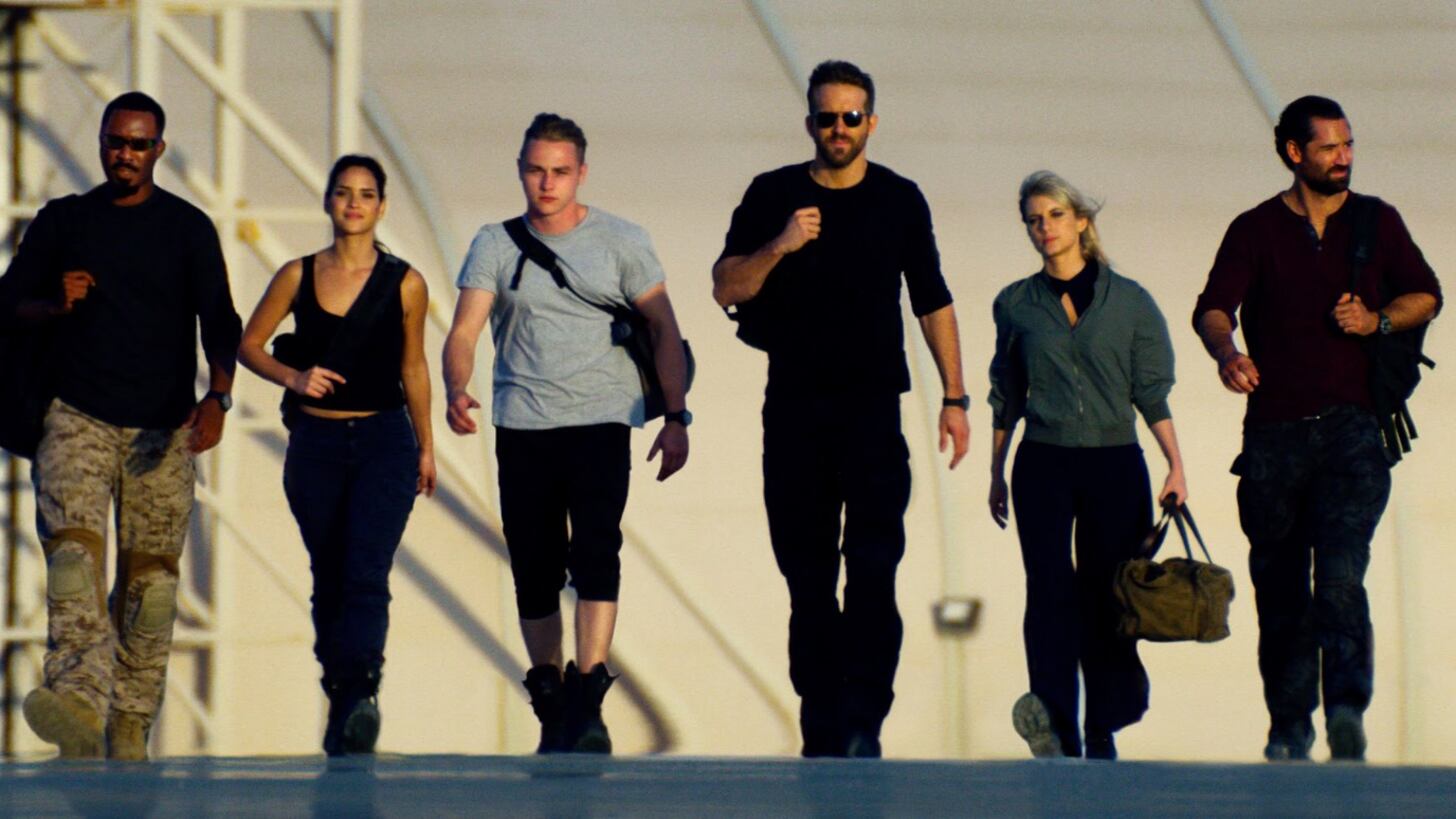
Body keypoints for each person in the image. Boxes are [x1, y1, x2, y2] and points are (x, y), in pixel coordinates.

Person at [712, 60, 970, 758]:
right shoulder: (773, 194)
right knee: (808, 578)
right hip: (795, 410)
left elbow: (932, 298)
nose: (839, 129)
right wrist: (781, 244)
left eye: (851, 117)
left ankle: (864, 717)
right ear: (810, 124)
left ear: (871, 123)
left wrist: (955, 396)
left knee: (875, 568)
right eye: (827, 117)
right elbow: (726, 286)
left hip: (871, 409)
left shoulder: (898, 199)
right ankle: (822, 716)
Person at [1193, 95, 1440, 762]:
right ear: (1294, 152)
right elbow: (1213, 307)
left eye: (1348, 143)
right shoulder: (1255, 229)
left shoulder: (1376, 221)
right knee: (1279, 588)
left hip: (1353, 433)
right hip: (1274, 438)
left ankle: (1347, 711)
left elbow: (1427, 294)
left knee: (1339, 576)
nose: (1344, 157)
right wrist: (1227, 353)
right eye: (1330, 147)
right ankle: (1289, 725)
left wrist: (1377, 320)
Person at [0, 92, 241, 760]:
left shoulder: (188, 229)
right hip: (76, 416)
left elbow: (221, 321)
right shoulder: (65, 222)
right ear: (102, 142)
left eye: (138, 144)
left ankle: (130, 721)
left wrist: (219, 398)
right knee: (73, 562)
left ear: (158, 149)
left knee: (151, 588)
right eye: (115, 141)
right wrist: (53, 303)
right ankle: (77, 703)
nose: (124, 155)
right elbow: (6, 304)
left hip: (162, 429)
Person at [442, 113, 690, 755]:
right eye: (535, 170)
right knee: (534, 563)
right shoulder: (495, 243)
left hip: (602, 418)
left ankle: (588, 692)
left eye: (559, 171)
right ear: (520, 171)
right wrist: (456, 387)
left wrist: (676, 417)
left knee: (597, 550)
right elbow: (465, 329)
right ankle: (549, 693)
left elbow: (663, 327)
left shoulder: (622, 241)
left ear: (581, 173)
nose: (547, 183)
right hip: (523, 421)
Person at [237, 155, 435, 757]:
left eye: (366, 194)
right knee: (329, 574)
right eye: (344, 192)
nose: (354, 203)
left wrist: (427, 446)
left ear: (382, 207)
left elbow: (413, 366)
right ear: (328, 201)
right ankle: (341, 691)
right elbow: (250, 345)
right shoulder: (297, 274)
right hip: (316, 447)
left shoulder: (405, 282)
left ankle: (362, 690)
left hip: (384, 442)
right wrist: (293, 379)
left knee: (366, 572)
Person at [988, 171, 1186, 761]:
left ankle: (1104, 722)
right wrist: (996, 470)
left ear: (1081, 221)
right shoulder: (1016, 304)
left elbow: (1151, 392)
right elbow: (1007, 393)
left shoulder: (1130, 302)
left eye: (1054, 215)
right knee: (1048, 592)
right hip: (1043, 462)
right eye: (1033, 220)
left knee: (1109, 594)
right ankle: (1055, 727)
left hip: (1114, 462)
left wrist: (1176, 466)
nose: (1044, 228)